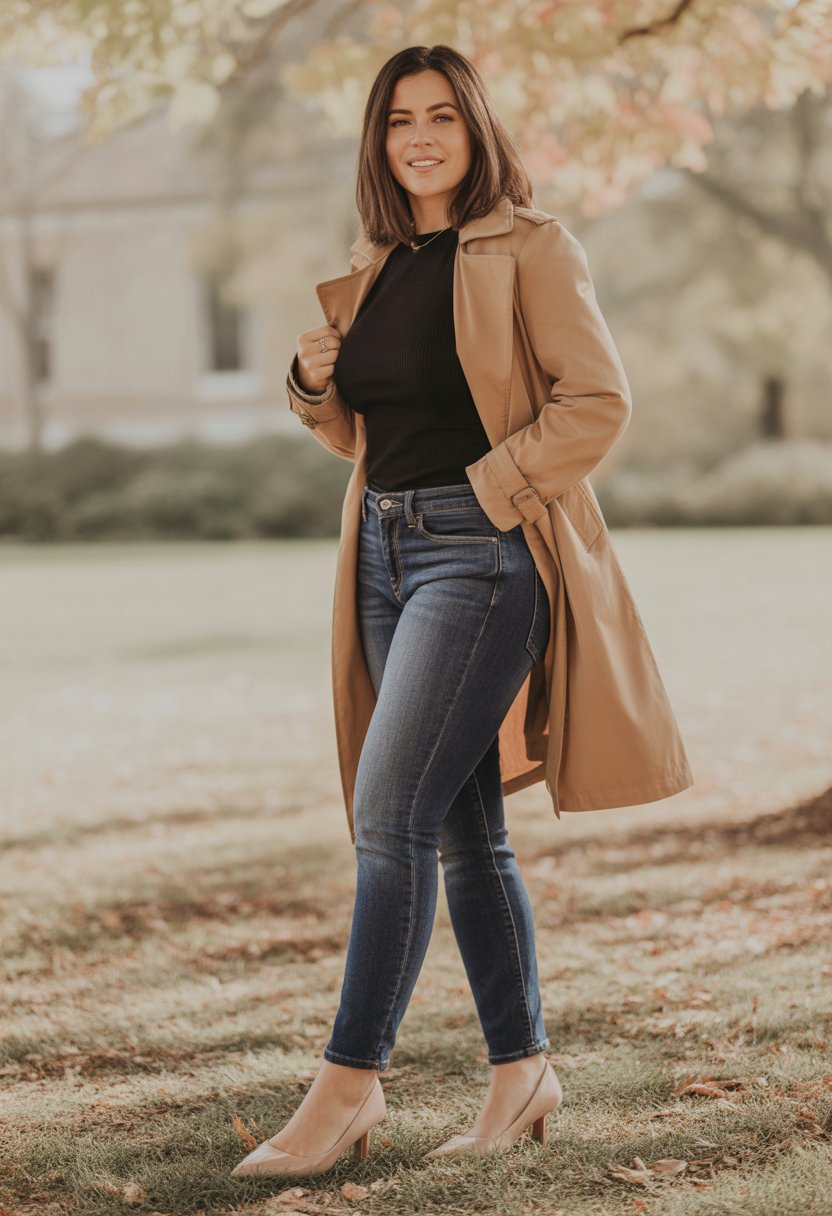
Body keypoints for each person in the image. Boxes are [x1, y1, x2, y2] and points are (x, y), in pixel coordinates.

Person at [232, 41, 693, 1180]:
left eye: (441, 114)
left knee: (385, 817)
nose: (421, 135)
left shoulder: (531, 247)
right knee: (458, 829)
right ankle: (520, 1070)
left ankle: (347, 1085)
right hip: (382, 552)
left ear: (474, 129)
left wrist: (489, 497)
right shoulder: (380, 258)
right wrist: (310, 384)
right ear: (379, 141)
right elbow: (367, 430)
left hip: (478, 558)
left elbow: (596, 400)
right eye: (399, 120)